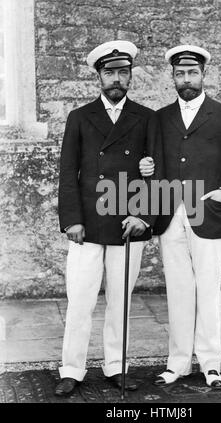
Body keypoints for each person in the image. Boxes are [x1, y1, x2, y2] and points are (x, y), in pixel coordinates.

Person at [139, 44, 221, 389]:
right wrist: (146, 168)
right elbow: (151, 163)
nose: (186, 79)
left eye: (192, 72)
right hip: (170, 217)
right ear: (172, 77)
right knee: (179, 291)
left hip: (208, 215)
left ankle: (211, 363)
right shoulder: (159, 118)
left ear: (203, 74)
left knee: (207, 291)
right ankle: (178, 363)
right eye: (180, 74)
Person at [55, 40, 161, 396]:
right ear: (98, 77)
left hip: (127, 224)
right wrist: (72, 221)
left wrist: (144, 215)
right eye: (110, 72)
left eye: (123, 72)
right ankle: (71, 368)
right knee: (80, 300)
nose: (117, 78)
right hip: (87, 223)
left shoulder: (147, 118)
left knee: (121, 301)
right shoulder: (80, 117)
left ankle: (117, 366)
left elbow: (157, 174)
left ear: (131, 76)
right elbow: (68, 172)